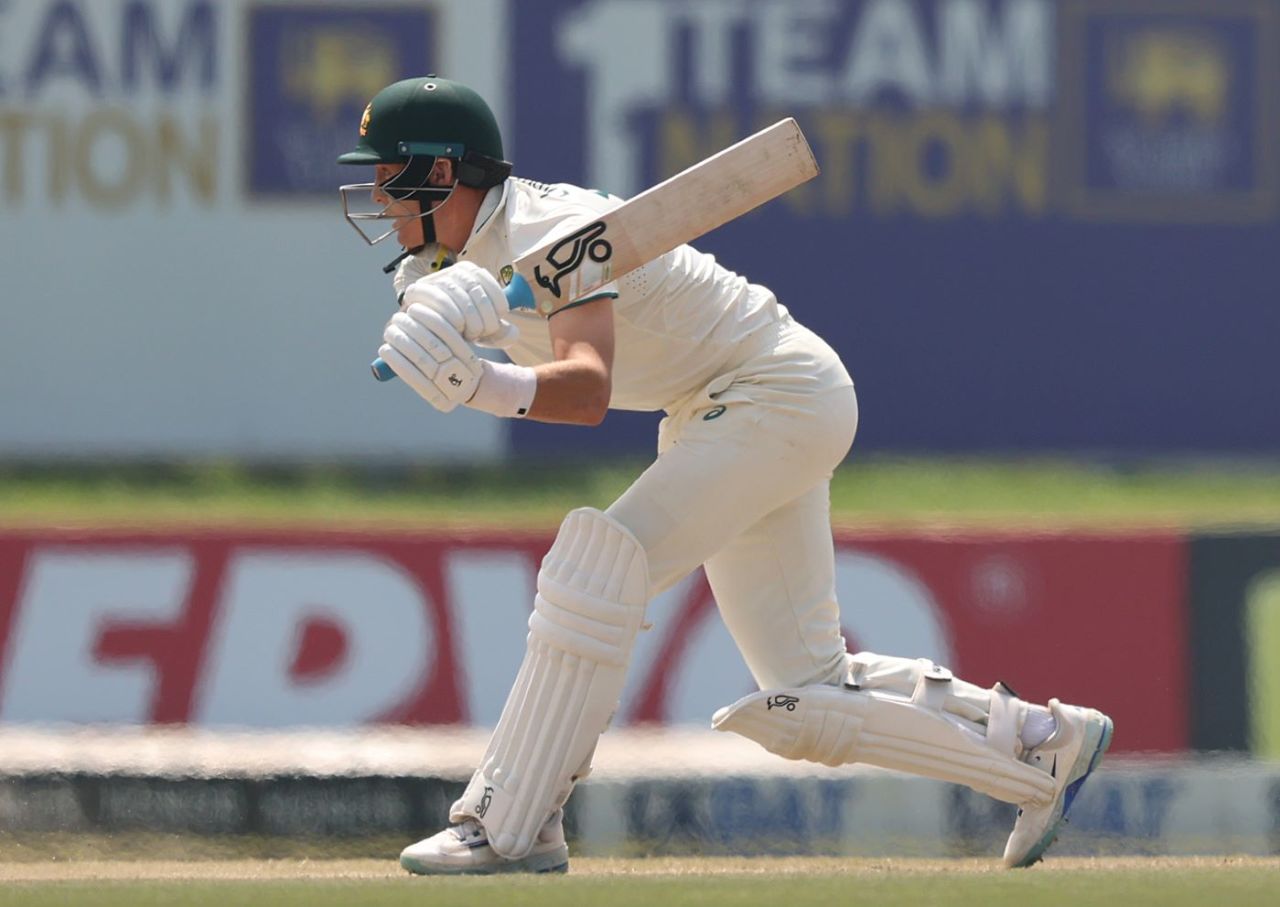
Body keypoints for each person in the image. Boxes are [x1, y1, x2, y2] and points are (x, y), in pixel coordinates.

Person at [336, 76, 1113, 876]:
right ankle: (1041, 744)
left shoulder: (555, 231)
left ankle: (509, 823)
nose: (379, 201)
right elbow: (479, 326)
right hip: (722, 410)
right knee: (809, 691)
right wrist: (457, 347)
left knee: (597, 566)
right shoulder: (437, 268)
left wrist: (484, 385)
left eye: (389, 178)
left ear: (440, 174)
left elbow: (586, 387)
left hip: (775, 391)